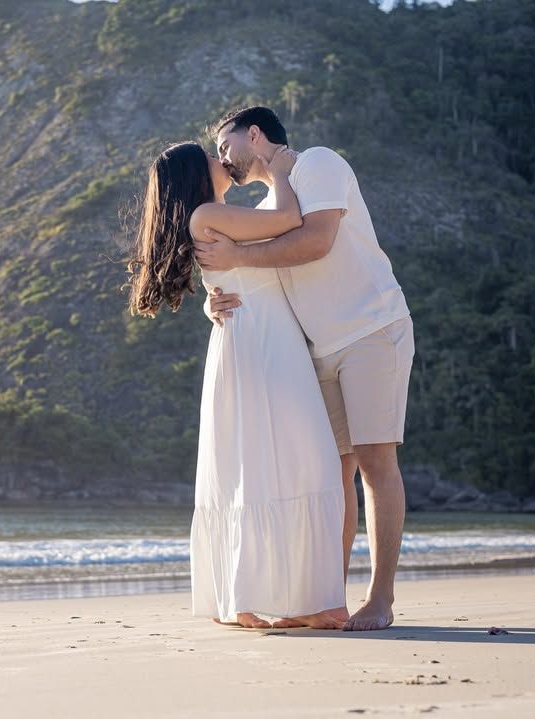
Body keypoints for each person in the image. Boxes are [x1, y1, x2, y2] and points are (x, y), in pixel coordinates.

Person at [195, 106, 414, 631]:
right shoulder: (273, 201)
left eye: (226, 146)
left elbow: (316, 243)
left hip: (370, 330)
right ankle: (326, 600)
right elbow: (258, 280)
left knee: (374, 462)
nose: (224, 159)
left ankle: (380, 598)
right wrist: (214, 299)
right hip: (315, 350)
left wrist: (239, 260)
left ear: (255, 134)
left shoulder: (319, 164)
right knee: (332, 472)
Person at [126, 140, 347, 630]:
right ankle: (268, 599)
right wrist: (281, 168)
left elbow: (239, 271)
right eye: (211, 155)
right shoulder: (209, 214)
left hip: (260, 339)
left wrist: (213, 298)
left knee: (273, 463)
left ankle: (270, 599)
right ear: (196, 173)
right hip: (261, 344)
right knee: (295, 460)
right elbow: (289, 219)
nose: (219, 159)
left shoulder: (215, 215)